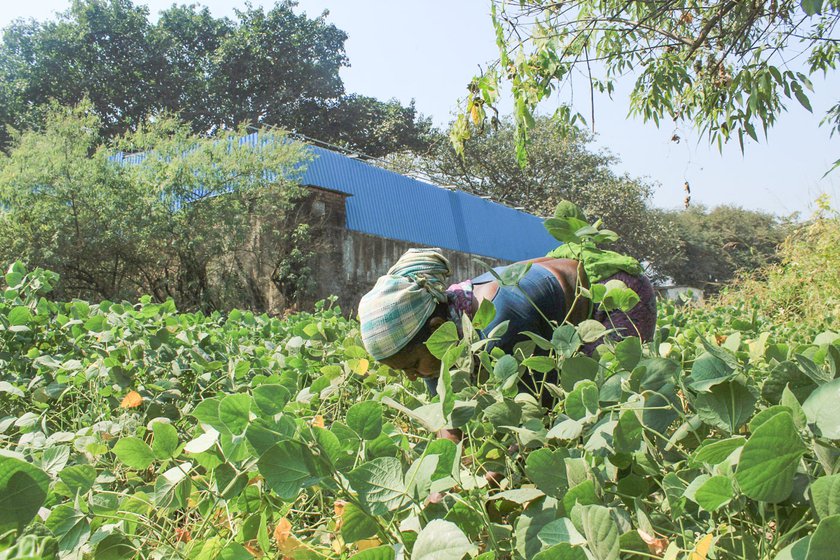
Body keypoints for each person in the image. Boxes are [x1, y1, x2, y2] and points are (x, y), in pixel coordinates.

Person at [357, 246, 657, 394]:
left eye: (411, 366)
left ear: (437, 330)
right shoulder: (437, 330)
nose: (411, 377)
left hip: (612, 295)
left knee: (606, 391)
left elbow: (539, 409)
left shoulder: (500, 321)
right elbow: (450, 415)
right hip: (557, 303)